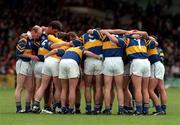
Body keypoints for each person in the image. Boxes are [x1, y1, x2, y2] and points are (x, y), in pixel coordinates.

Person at [59, 45, 104, 114]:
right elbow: (86, 52)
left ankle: (63, 108)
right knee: (72, 89)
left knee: (64, 89)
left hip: (62, 62)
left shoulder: (68, 49)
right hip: (72, 62)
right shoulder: (80, 49)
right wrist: (98, 57)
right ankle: (71, 109)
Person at [15, 25, 42, 113]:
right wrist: (31, 56)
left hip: (29, 63)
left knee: (30, 88)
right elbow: (18, 53)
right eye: (38, 34)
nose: (38, 36)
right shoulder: (24, 39)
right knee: (19, 87)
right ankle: (18, 108)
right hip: (22, 63)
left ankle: (27, 108)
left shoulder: (31, 40)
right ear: (33, 31)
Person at [100, 30, 126, 115]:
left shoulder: (103, 37)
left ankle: (107, 109)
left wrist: (106, 32)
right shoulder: (121, 39)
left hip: (107, 61)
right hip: (118, 60)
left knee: (107, 88)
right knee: (119, 88)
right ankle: (121, 109)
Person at [81, 29, 103, 114]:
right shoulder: (101, 35)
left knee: (87, 87)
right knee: (98, 87)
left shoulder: (83, 36)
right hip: (99, 61)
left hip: (89, 61)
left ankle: (88, 108)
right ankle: (97, 108)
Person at [148, 36, 167, 115]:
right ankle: (163, 109)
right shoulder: (155, 48)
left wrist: (145, 36)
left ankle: (158, 109)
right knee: (161, 89)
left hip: (156, 66)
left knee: (150, 90)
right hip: (160, 66)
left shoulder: (150, 46)